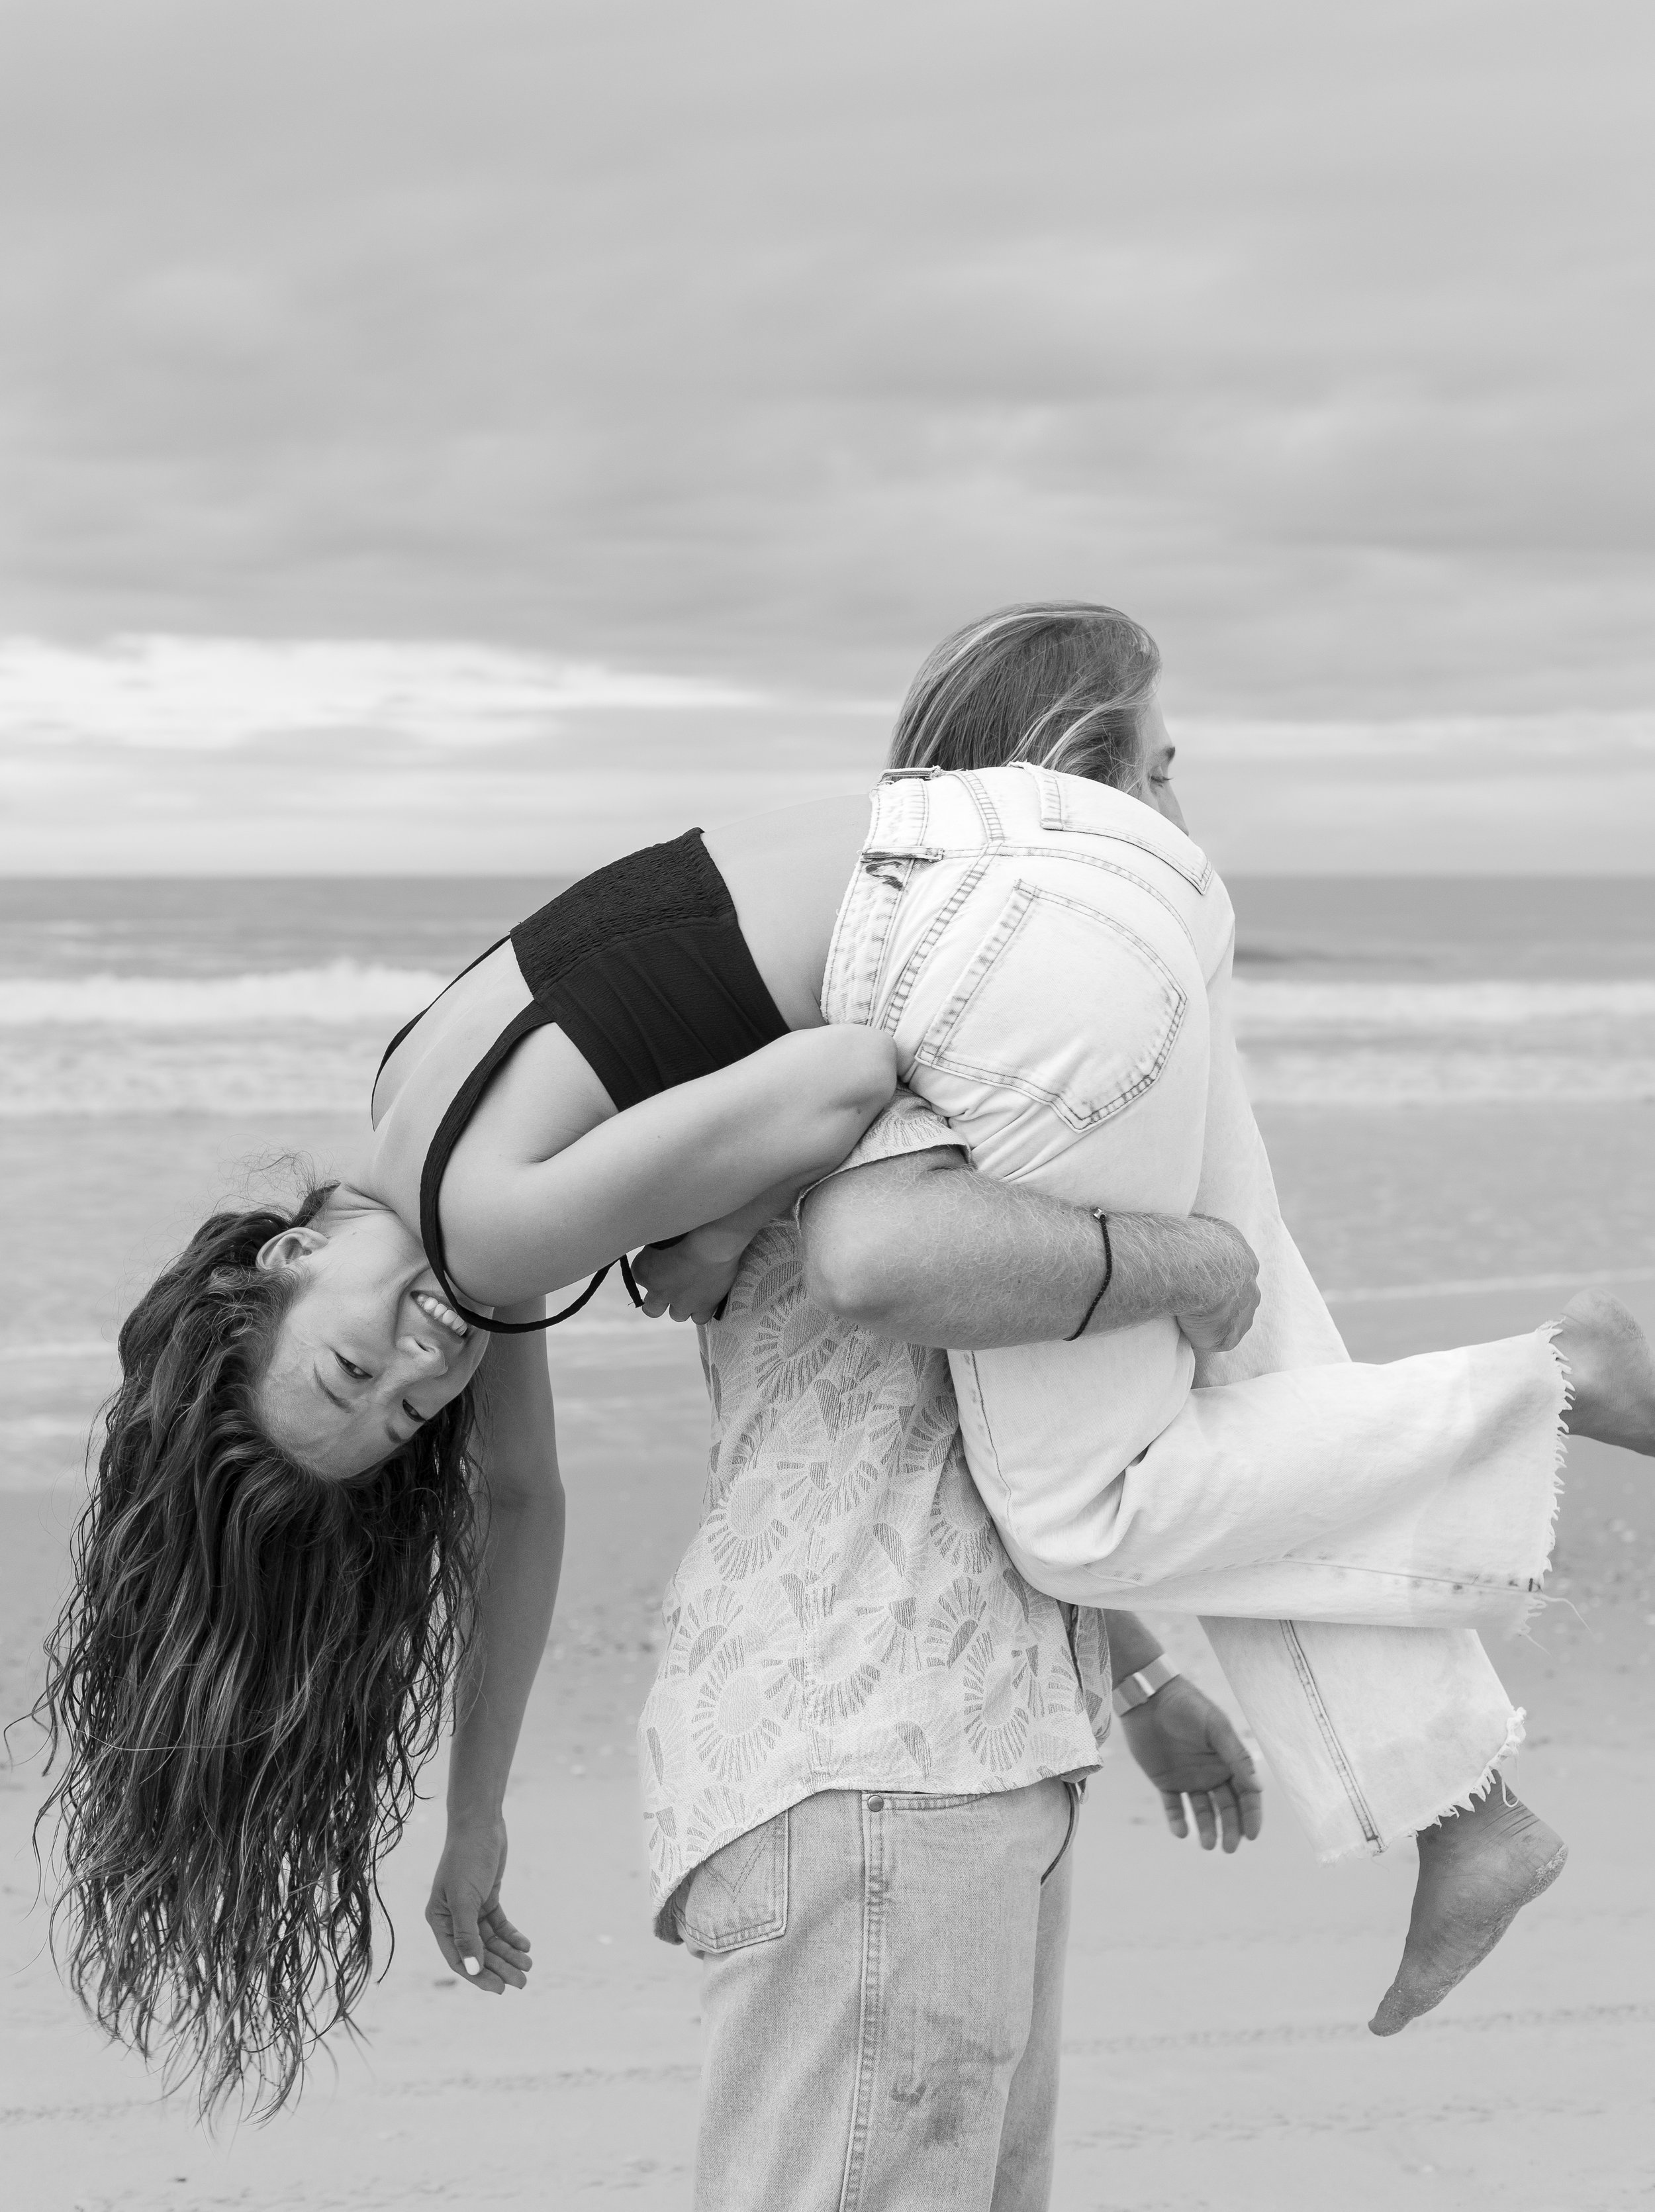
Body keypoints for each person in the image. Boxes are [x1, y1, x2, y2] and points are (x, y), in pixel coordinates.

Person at [38, 603, 1652, 2132]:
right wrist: (473, 1812)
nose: (423, 1368)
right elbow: (518, 1510)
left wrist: (722, 1232)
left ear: (281, 1258)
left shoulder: (492, 1235)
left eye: (348, 1364)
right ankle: (1463, 1814)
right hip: (1077, 886)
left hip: (1008, 934)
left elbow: (838, 1079)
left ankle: (1563, 1375)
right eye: (398, 1418)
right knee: (1252, 1345)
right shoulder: (425, 1120)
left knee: (1082, 1506)